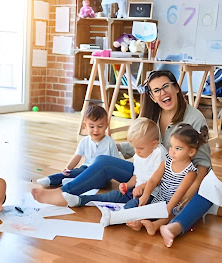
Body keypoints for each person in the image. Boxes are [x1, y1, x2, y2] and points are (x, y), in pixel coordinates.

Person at [32, 70, 211, 210]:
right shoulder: (152, 114)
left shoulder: (194, 117)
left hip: (171, 181)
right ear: (152, 96)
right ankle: (63, 194)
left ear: (176, 88)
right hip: (145, 171)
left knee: (123, 195)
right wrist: (115, 145)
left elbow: (203, 162)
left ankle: (72, 196)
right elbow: (143, 145)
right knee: (103, 161)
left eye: (166, 86)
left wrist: (190, 191)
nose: (162, 93)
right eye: (156, 90)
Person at [60, 117, 166, 208]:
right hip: (137, 191)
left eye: (140, 148)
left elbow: (157, 179)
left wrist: (142, 188)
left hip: (152, 195)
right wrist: (127, 185)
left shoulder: (159, 153)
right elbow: (136, 176)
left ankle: (117, 216)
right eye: (134, 147)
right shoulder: (139, 154)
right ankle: (81, 200)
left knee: (132, 205)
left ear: (154, 144)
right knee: (113, 196)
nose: (136, 151)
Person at [124, 123, 208, 235]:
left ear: (191, 152)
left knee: (171, 215)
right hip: (159, 198)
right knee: (144, 208)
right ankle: (139, 223)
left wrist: (168, 208)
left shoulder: (191, 172)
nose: (172, 151)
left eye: (178, 148)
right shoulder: (167, 162)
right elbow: (153, 180)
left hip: (173, 203)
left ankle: (154, 226)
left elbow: (179, 193)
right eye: (171, 146)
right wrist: (145, 195)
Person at [36, 104, 118, 187]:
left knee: (100, 182)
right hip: (86, 168)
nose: (96, 130)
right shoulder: (84, 141)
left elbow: (116, 161)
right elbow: (76, 157)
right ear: (85, 126)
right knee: (71, 173)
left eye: (100, 126)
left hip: (102, 173)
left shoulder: (109, 142)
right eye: (92, 126)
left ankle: (74, 182)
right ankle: (50, 179)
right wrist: (67, 168)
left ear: (106, 125)